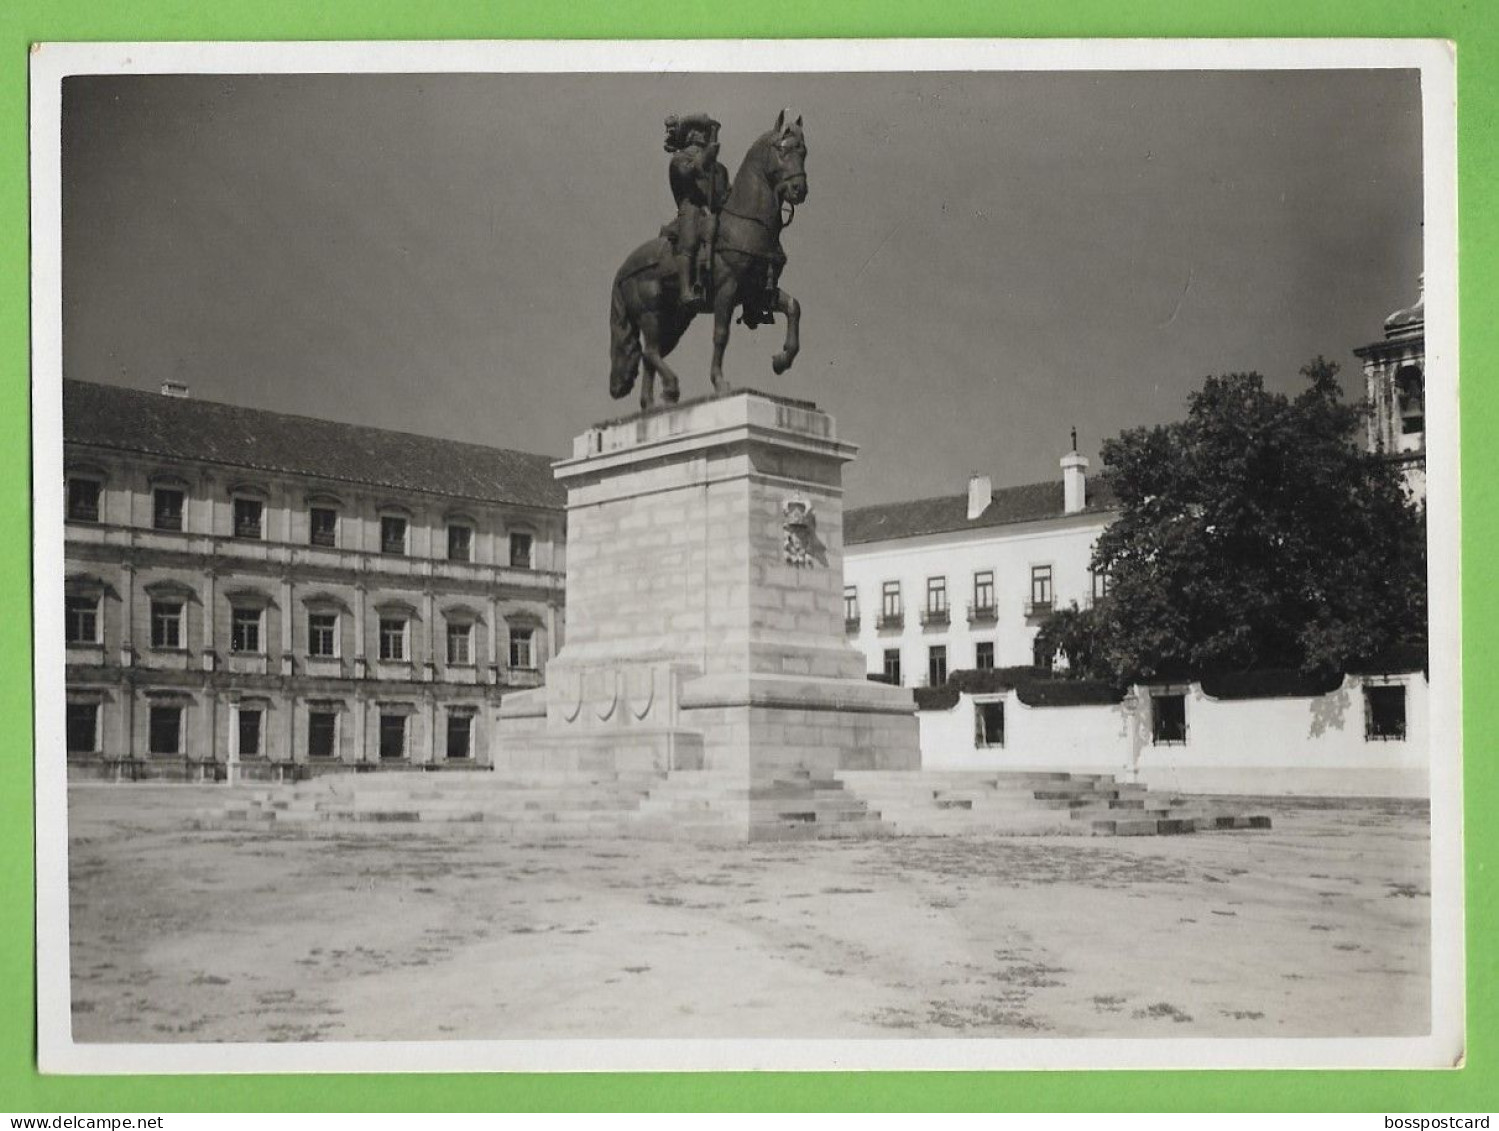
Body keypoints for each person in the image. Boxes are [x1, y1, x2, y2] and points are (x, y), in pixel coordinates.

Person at [663, 113, 730, 307]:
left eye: (705, 132)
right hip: (691, 206)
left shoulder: (719, 169)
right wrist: (709, 154)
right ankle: (685, 290)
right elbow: (689, 172)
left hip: (714, 212)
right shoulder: (679, 159)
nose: (703, 135)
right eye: (699, 131)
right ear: (689, 134)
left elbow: (724, 192)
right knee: (690, 240)